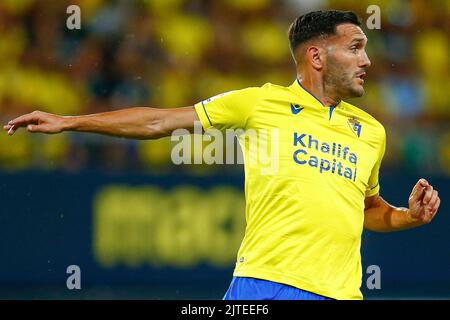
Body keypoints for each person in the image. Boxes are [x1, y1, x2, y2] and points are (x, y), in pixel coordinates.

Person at [3, 10, 441, 300]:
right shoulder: (259, 103)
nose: (367, 60)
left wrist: (407, 216)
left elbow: (365, 209)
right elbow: (160, 122)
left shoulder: (371, 133)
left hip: (343, 294)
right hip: (265, 287)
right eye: (355, 47)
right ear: (316, 56)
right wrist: (71, 121)